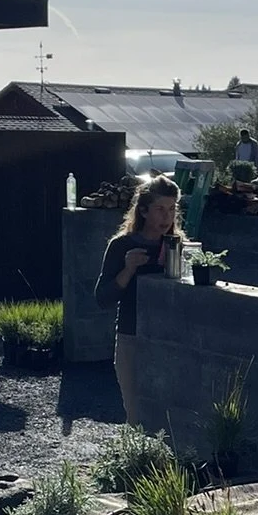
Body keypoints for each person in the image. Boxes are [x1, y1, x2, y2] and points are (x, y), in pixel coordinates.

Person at [95, 175, 182, 423]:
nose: (167, 217)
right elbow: (103, 299)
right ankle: (138, 462)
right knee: (136, 414)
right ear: (143, 211)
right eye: (160, 209)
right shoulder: (121, 246)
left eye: (172, 209)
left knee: (169, 417)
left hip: (169, 339)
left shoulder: (179, 246)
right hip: (132, 336)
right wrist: (128, 269)